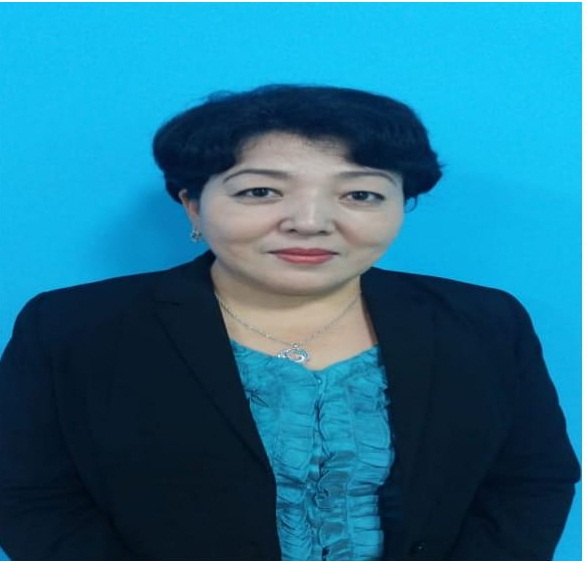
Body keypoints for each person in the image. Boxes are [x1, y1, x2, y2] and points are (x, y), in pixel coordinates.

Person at [0, 84, 579, 561]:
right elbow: (29, 496)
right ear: (193, 204)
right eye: (260, 191)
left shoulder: (482, 321)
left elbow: (530, 480)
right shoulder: (74, 327)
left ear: (401, 205)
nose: (310, 222)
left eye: (360, 194)